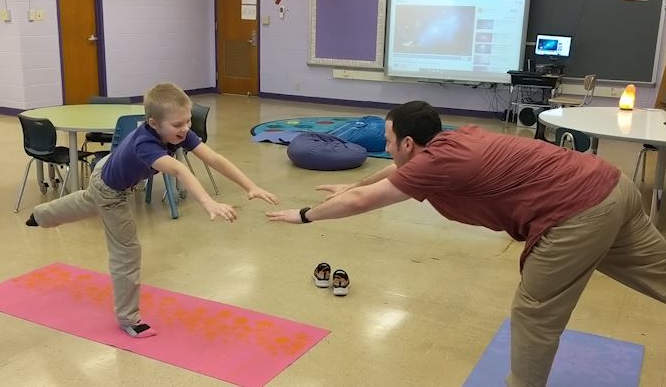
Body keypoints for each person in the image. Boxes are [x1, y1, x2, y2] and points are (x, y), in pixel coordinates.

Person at [267, 100, 666, 386]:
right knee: (658, 270)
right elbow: (390, 173)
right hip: (613, 185)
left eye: (389, 140)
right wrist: (355, 181)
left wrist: (305, 215)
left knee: (535, 311)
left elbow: (362, 203)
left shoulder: (434, 165)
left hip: (576, 214)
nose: (386, 147)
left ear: (409, 143)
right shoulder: (450, 142)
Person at [27, 83, 278, 338]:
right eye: (178, 125)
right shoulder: (145, 143)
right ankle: (128, 319)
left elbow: (213, 158)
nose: (185, 129)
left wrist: (251, 186)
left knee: (89, 200)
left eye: (188, 121)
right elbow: (180, 170)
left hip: (106, 170)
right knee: (126, 251)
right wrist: (207, 202)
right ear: (153, 123)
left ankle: (42, 215)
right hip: (112, 189)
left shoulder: (178, 131)